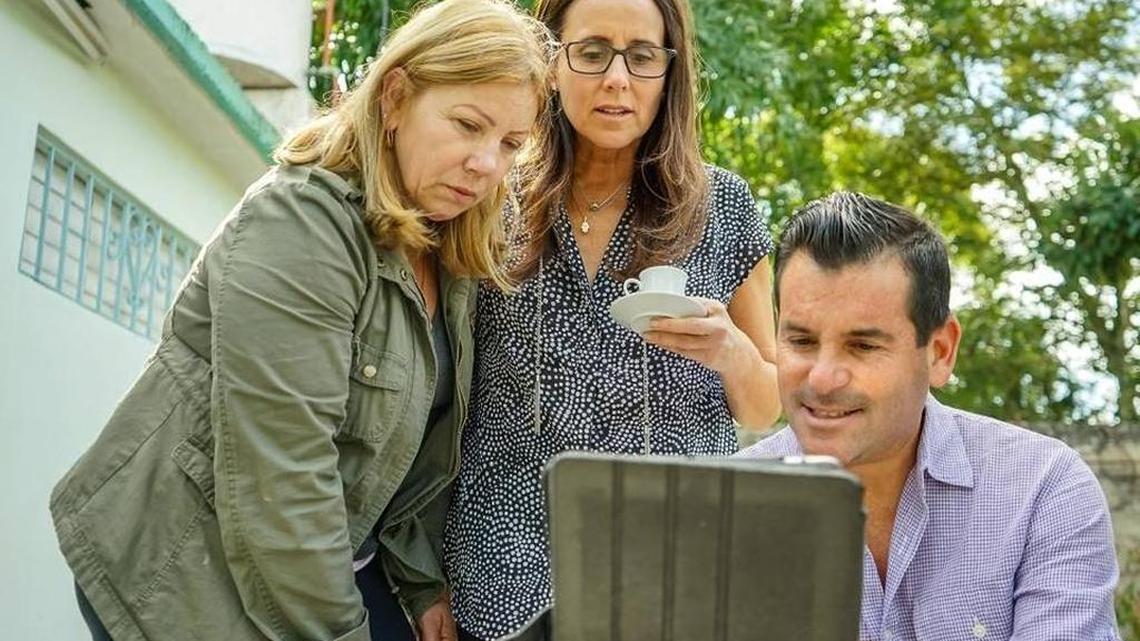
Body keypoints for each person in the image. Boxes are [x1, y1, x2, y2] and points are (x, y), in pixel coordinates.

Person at [48, 2, 551, 640]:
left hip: (327, 557)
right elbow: (282, 479)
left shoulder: (447, 248)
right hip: (187, 568)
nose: (487, 165)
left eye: (510, 144)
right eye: (467, 125)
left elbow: (412, 456)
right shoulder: (300, 224)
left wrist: (423, 585)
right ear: (395, 98)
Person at [443, 0, 781, 638]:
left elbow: (767, 406)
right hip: (497, 579)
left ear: (668, 71)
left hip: (670, 570)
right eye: (592, 52)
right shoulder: (489, 195)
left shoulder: (724, 205)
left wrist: (730, 350)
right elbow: (438, 399)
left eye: (642, 57)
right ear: (552, 62)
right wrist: (422, 574)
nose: (617, 80)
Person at [737, 191, 1121, 641]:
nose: (822, 379)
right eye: (801, 342)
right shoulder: (720, 508)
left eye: (863, 346)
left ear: (940, 352)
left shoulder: (1042, 491)